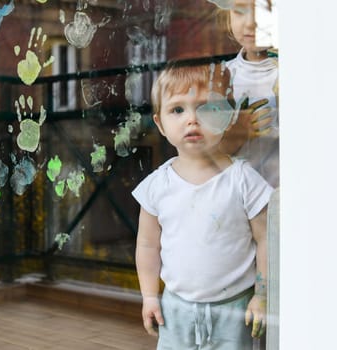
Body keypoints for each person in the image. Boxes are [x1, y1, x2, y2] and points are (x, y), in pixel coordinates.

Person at [132, 61, 274, 349]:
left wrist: (262, 295)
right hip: (176, 309)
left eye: (208, 108)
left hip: (235, 310)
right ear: (160, 123)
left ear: (229, 117)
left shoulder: (243, 179)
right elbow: (147, 245)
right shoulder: (157, 186)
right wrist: (149, 296)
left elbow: (266, 239)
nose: (192, 119)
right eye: (178, 110)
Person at [212, 0, 279, 189]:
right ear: (227, 17)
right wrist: (236, 134)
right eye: (239, 11)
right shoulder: (222, 77)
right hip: (236, 192)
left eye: (264, 10)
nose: (250, 23)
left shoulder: (293, 72)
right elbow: (207, 152)